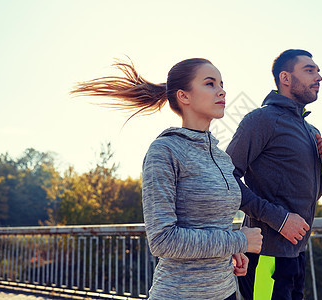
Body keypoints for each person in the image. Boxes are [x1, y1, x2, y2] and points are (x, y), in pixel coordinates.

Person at [71, 58, 263, 300]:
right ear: (184, 96)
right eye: (210, 84)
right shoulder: (165, 151)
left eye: (221, 84)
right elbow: (163, 240)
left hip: (225, 291)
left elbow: (214, 225)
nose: (222, 90)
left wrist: (232, 252)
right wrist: (237, 241)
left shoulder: (222, 158)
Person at [226, 49, 322, 300]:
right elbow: (225, 178)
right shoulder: (261, 120)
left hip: (297, 255)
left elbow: (307, 196)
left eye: (318, 71)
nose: (319, 77)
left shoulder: (311, 131)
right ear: (285, 78)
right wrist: (279, 219)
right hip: (266, 254)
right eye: (309, 70)